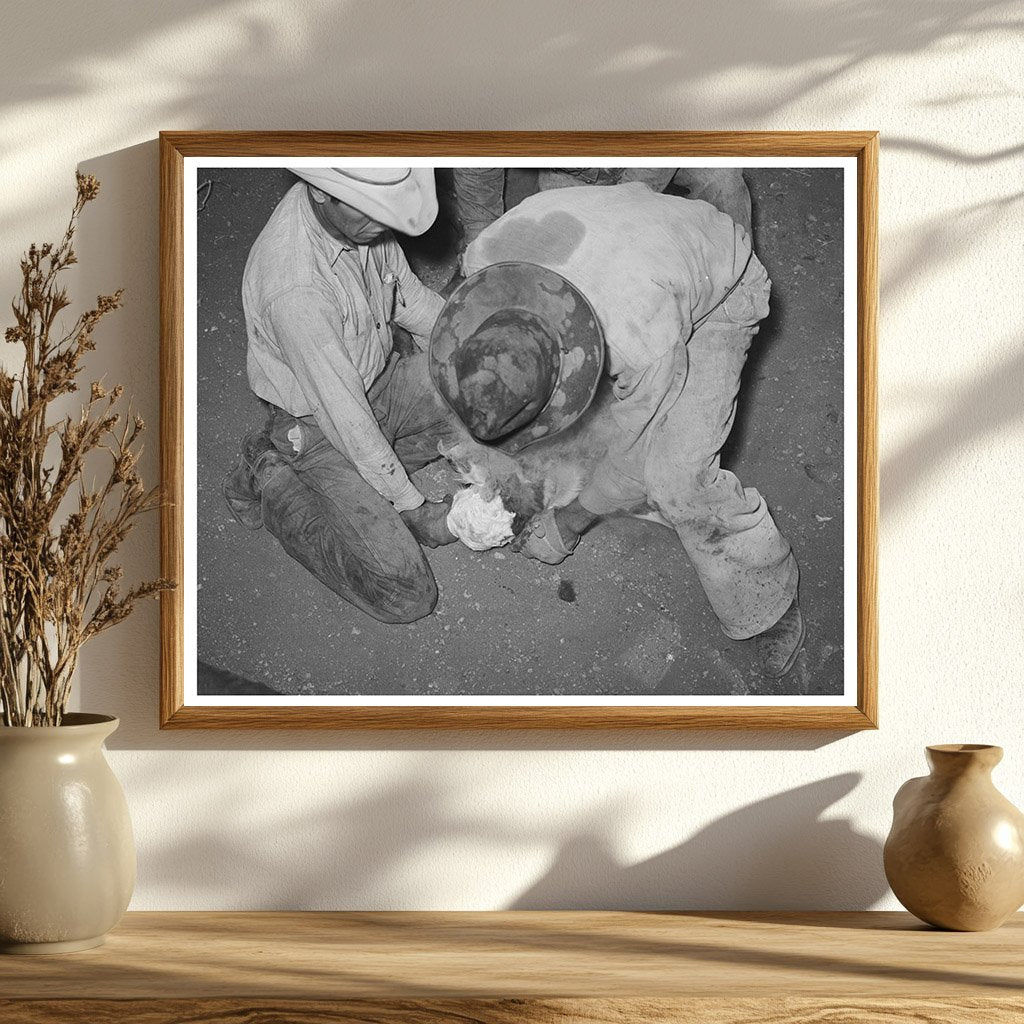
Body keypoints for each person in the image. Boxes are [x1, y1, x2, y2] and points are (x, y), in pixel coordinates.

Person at [432, 182, 805, 677]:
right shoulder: (484, 261)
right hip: (632, 240)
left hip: (719, 287)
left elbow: (634, 456)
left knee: (675, 478)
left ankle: (763, 602)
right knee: (580, 426)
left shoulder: (638, 343)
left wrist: (568, 523)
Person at [223, 167, 467, 624]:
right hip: (319, 424)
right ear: (321, 191)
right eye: (371, 209)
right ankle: (273, 476)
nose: (385, 221)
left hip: (379, 380)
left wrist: (468, 343)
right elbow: (345, 414)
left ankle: (366, 475)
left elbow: (409, 300)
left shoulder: (364, 220)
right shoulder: (295, 286)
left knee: (482, 393)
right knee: (407, 595)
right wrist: (412, 506)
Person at [452, 166, 752, 249]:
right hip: (571, 171)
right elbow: (477, 164)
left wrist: (617, 208)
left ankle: (742, 287)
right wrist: (479, 241)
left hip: (657, 149)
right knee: (565, 256)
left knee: (722, 180)